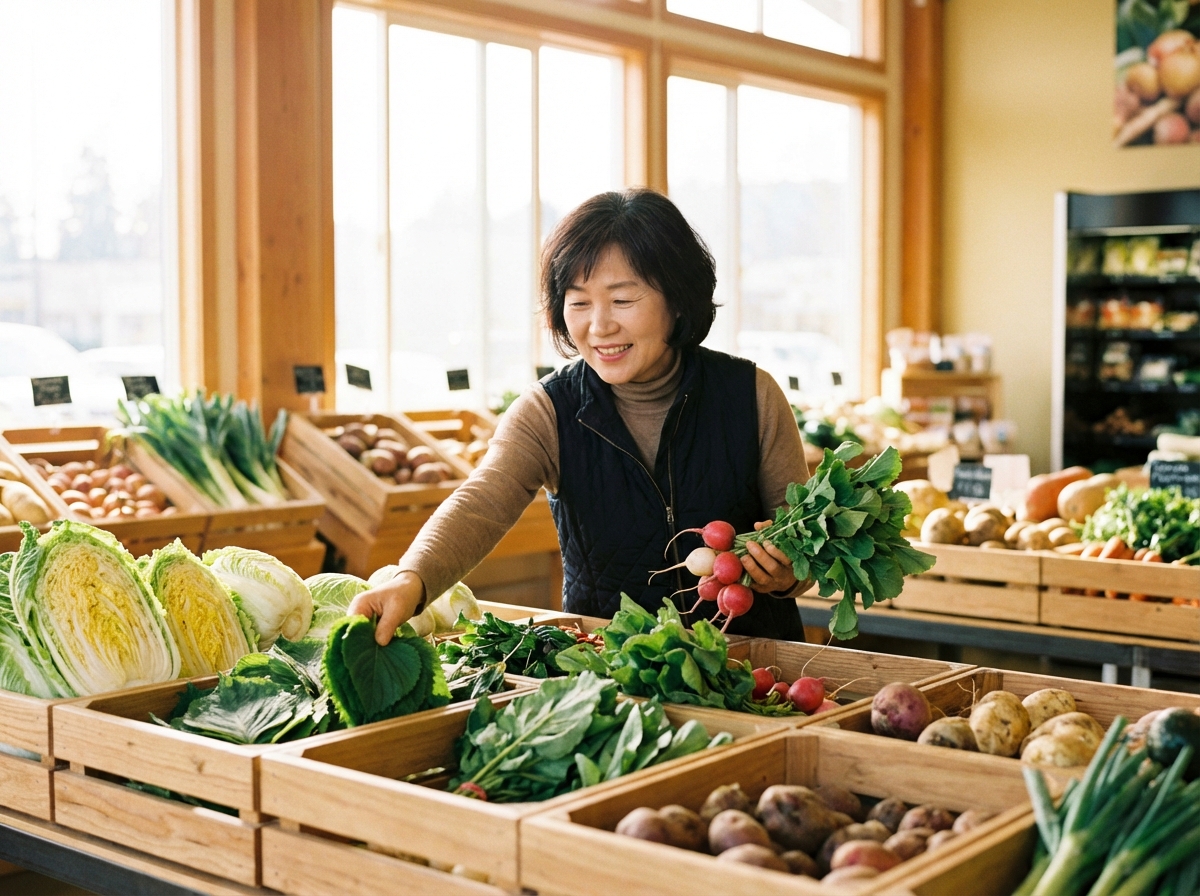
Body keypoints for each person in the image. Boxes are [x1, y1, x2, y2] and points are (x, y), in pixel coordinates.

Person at [348, 188, 810, 644]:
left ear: (678, 299)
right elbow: (483, 500)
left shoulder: (751, 396)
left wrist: (786, 575)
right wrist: (412, 578)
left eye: (622, 300)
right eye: (579, 302)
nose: (599, 325)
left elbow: (804, 546)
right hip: (613, 676)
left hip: (757, 675)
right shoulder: (549, 408)